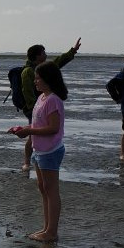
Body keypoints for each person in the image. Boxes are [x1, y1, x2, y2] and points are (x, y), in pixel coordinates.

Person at [8, 61, 67, 242]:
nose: (35, 81)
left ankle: (52, 232)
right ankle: (46, 228)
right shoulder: (41, 98)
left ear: (48, 79)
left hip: (51, 150)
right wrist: (22, 128)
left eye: (38, 78)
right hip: (39, 150)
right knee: (43, 188)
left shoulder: (53, 100)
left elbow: (53, 128)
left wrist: (29, 132)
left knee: (51, 190)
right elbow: (38, 124)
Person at [20, 37, 81, 172]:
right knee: (32, 135)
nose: (46, 55)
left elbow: (58, 62)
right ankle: (26, 161)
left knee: (34, 133)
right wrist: (32, 109)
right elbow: (27, 91)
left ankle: (36, 159)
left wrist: (73, 51)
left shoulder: (45, 70)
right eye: (43, 52)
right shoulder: (28, 71)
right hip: (35, 109)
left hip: (44, 107)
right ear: (37, 55)